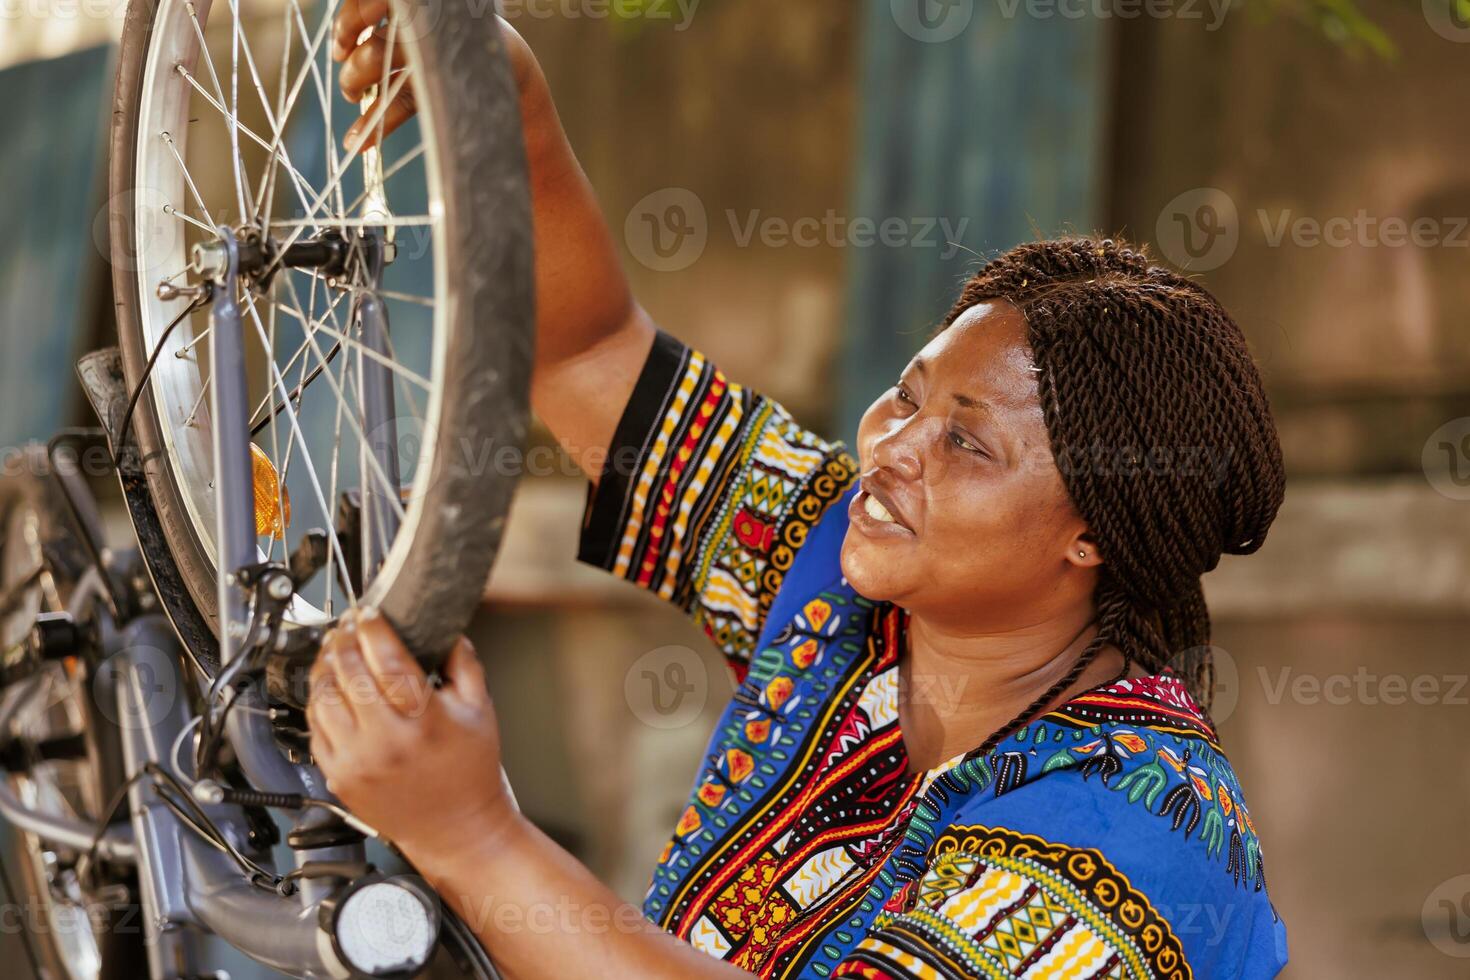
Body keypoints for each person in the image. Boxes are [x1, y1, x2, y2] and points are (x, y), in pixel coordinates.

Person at [309, 9, 1289, 978]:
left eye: (967, 441)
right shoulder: (846, 581)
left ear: (1093, 534)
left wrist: (475, 835)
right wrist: (499, 96)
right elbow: (589, 355)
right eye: (907, 393)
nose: (894, 447)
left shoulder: (1128, 835)